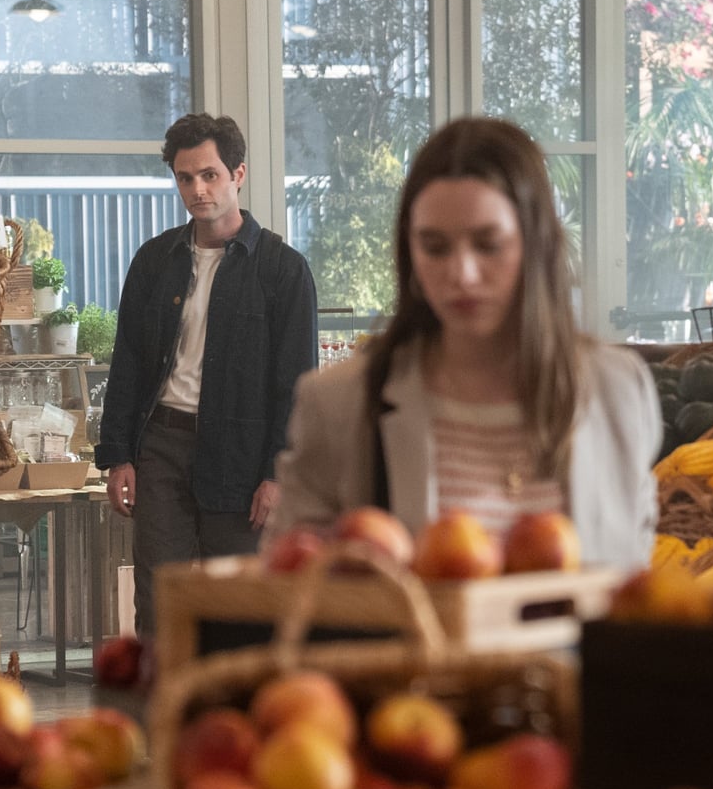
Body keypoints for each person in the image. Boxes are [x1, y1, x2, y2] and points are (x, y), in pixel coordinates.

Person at [266, 117, 657, 569]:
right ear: (408, 251)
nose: (462, 274)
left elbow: (631, 584)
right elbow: (289, 593)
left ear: (536, 244)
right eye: (435, 247)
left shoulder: (620, 390)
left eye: (488, 244)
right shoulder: (340, 403)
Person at [95, 113, 318, 635]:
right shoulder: (155, 261)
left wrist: (276, 473)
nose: (197, 189)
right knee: (158, 597)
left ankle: (232, 708)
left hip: (240, 457)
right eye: (185, 177)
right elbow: (127, 360)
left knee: (239, 600)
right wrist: (119, 455)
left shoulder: (283, 271)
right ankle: (159, 710)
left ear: (238, 174)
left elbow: (297, 386)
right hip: (162, 448)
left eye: (210, 174)